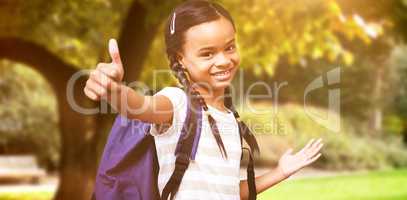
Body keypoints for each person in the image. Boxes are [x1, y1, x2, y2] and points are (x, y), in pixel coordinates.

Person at [83, 1, 324, 199]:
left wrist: (280, 171)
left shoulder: (231, 118)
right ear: (181, 59)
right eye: (207, 53)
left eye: (229, 47)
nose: (223, 60)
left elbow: (228, 192)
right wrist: (114, 90)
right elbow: (140, 107)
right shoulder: (177, 103)